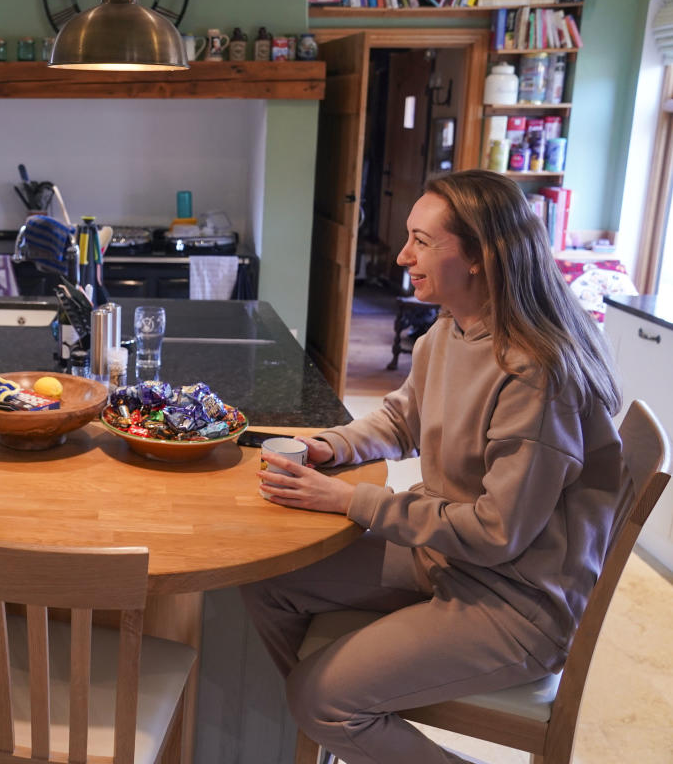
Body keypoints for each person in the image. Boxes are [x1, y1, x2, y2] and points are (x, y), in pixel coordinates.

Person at [242, 170, 629, 764]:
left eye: (422, 241)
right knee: (268, 582)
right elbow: (402, 419)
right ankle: (352, 728)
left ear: (479, 255)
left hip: (514, 604)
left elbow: (497, 534)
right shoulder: (449, 330)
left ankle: (338, 715)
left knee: (319, 698)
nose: (402, 256)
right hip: (443, 561)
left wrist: (350, 501)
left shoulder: (534, 374)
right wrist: (331, 446)